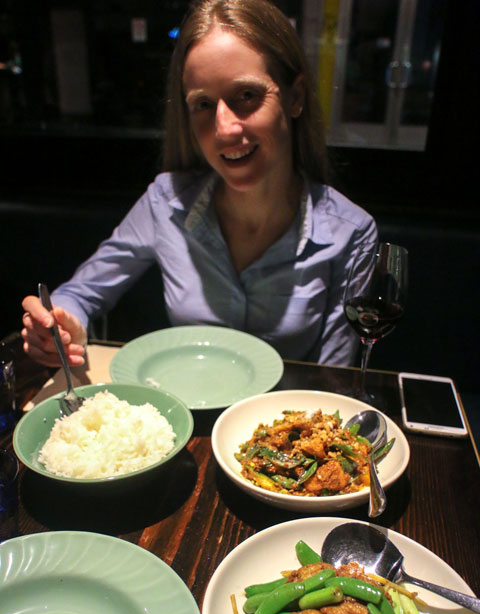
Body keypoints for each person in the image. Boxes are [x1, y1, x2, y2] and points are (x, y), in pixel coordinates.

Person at [21, 0, 376, 368]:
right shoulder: (165, 200)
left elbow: (333, 381)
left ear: (295, 97)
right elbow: (82, 293)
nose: (224, 129)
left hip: (288, 421)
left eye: (247, 96)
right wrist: (60, 324)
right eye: (204, 104)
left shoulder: (352, 233)